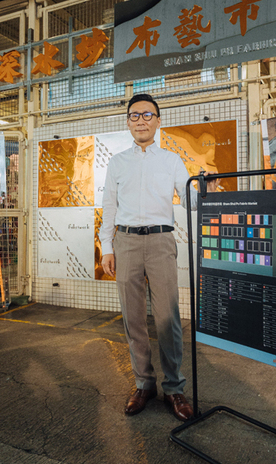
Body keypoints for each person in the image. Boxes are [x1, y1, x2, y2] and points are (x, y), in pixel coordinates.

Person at [99, 93, 217, 422]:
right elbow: (109, 206)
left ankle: (174, 388)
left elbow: (190, 198)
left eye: (147, 115)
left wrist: (203, 190)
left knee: (168, 319)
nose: (141, 120)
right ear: (127, 122)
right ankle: (144, 383)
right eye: (134, 115)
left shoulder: (171, 160)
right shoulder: (118, 162)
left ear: (158, 121)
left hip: (162, 240)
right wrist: (107, 246)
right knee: (133, 319)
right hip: (126, 242)